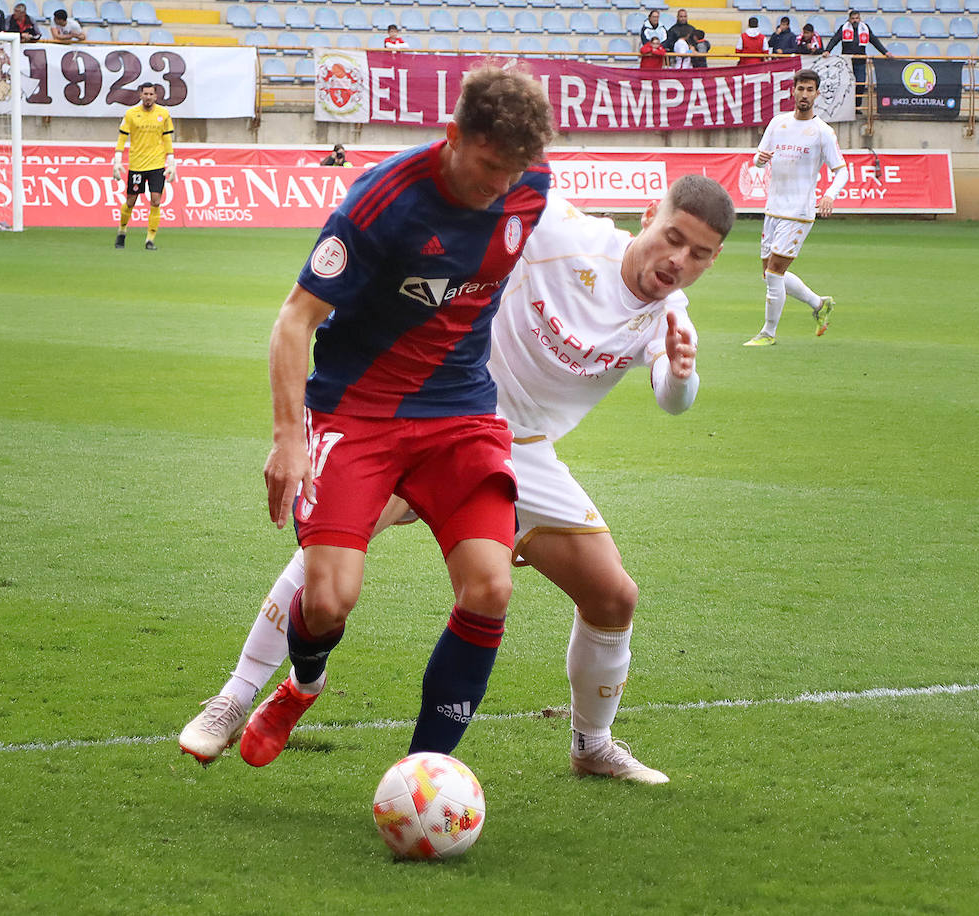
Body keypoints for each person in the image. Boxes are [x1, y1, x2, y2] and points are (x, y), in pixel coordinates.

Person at [180, 176, 734, 784]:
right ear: (648, 217)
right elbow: (501, 194)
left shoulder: (669, 317)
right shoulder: (565, 233)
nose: (678, 260)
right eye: (672, 238)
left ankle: (591, 744)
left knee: (613, 597)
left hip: (521, 451)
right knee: (339, 548)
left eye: (699, 253)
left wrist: (680, 372)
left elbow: (673, 398)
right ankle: (237, 695)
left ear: (714, 259)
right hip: (439, 408)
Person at [230, 65, 555, 770]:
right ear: (453, 137)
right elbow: (294, 320)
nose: (503, 186)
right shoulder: (382, 202)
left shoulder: (530, 185)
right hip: (360, 410)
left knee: (492, 588)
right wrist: (289, 440)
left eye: (516, 170)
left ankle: (424, 774)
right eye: (491, 166)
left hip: (461, 412)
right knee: (328, 601)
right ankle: (301, 685)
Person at [743, 69, 847, 347]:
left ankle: (768, 333)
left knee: (775, 273)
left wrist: (829, 195)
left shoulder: (822, 132)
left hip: (799, 212)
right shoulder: (778, 123)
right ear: (793, 91)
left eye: (810, 90)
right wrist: (760, 159)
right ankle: (818, 303)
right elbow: (758, 159)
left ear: (817, 93)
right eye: (800, 89)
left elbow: (842, 171)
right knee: (768, 274)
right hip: (774, 208)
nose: (804, 94)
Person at [112, 82, 175, 250]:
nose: (148, 97)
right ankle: (122, 231)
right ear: (140, 95)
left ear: (156, 96)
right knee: (131, 201)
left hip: (156, 164)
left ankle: (150, 240)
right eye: (145, 94)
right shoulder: (131, 114)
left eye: (151, 94)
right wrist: (117, 158)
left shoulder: (164, 114)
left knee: (155, 201)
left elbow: (167, 138)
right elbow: (122, 137)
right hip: (137, 164)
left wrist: (171, 161)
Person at [823, 10, 893, 111]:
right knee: (845, 85)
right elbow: (834, 40)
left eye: (857, 18)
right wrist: (827, 50)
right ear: (849, 19)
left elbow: (874, 40)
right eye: (853, 19)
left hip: (860, 62)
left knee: (860, 84)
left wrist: (885, 52)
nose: (855, 21)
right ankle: (844, 107)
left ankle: (857, 107)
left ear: (860, 19)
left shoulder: (865, 28)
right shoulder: (843, 28)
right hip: (847, 62)